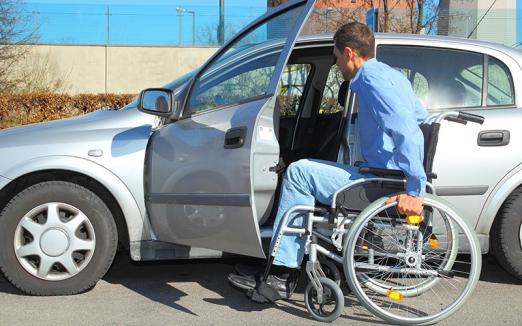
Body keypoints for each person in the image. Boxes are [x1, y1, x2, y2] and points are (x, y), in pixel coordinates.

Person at [228, 22, 428, 299]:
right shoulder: (392, 76)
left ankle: (282, 274)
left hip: (381, 181)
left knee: (299, 172)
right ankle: (282, 265)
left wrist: (414, 190)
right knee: (306, 169)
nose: (336, 64)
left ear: (348, 53)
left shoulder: (373, 80)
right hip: (379, 174)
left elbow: (408, 129)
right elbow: (420, 116)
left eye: (335, 57)